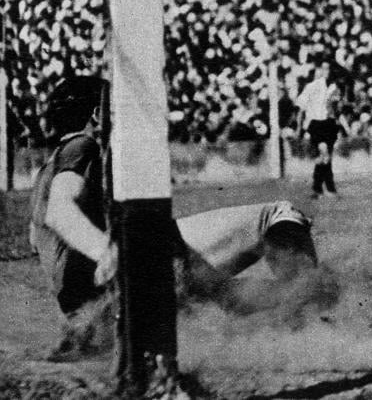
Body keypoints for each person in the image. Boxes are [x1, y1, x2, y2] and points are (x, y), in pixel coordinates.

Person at [29, 76, 321, 361]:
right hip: (133, 288)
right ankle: (314, 312)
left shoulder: (45, 173)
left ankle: (305, 305)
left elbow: (38, 240)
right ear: (97, 114)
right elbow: (60, 211)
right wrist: (104, 252)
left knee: (234, 294)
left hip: (95, 315)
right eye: (115, 107)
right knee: (279, 214)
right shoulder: (84, 146)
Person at [295, 61, 349, 199]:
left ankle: (317, 189)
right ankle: (329, 189)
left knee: (326, 159)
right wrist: (299, 128)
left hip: (329, 124)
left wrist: (345, 127)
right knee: (324, 154)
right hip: (316, 124)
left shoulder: (336, 88)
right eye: (325, 68)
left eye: (330, 69)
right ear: (321, 70)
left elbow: (337, 111)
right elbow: (300, 107)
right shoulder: (312, 86)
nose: (328, 71)